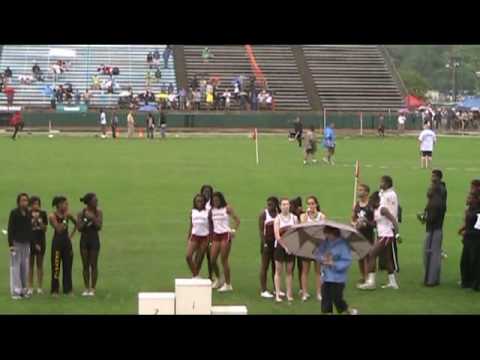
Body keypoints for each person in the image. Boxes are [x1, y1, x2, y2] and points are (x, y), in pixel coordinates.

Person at [358, 191, 401, 290]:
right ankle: (393, 282)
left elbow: (393, 220)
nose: (370, 203)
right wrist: (366, 221)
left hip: (386, 236)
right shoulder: (376, 210)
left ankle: (370, 282)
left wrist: (397, 234)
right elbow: (375, 224)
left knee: (372, 254)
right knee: (387, 259)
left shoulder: (383, 209)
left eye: (372, 201)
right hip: (381, 235)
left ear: (377, 200)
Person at [314, 226, 358, 315]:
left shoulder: (343, 245)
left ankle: (348, 310)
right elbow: (318, 253)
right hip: (326, 276)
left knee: (337, 298)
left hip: (338, 278)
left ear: (333, 233)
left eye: (327, 234)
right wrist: (323, 259)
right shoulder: (325, 243)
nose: (326, 236)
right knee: (325, 298)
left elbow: (346, 261)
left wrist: (334, 264)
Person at [209, 192, 240, 292]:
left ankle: (228, 284)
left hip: (225, 235)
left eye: (217, 200)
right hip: (216, 236)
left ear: (221, 200)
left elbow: (237, 220)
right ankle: (218, 279)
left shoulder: (227, 208)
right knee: (212, 259)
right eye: (213, 200)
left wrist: (233, 230)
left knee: (224, 260)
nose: (215, 202)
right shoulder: (212, 210)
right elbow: (211, 223)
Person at [417, 184, 446, 287]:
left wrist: (422, 218)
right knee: (432, 255)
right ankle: (432, 279)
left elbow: (431, 219)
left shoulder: (435, 203)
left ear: (434, 191)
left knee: (432, 256)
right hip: (434, 230)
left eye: (429, 189)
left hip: (434, 231)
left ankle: (431, 280)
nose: (427, 191)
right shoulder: (434, 202)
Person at [300, 196, 326, 301]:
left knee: (318, 271)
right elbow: (303, 228)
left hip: (318, 246)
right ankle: (305, 293)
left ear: (316, 204)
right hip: (307, 246)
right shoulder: (303, 216)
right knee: (305, 270)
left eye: (312, 203)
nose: (310, 206)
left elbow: (323, 232)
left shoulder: (322, 216)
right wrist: (307, 215)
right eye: (309, 204)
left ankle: (319, 293)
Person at [49, 196, 76, 296]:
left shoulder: (68, 214)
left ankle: (68, 289)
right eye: (65, 204)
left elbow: (77, 224)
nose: (67, 206)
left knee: (68, 267)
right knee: (56, 267)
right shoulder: (52, 216)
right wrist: (65, 217)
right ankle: (55, 290)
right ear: (59, 204)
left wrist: (71, 236)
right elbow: (59, 229)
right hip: (57, 244)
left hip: (66, 243)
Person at [7, 193, 32, 299]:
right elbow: (10, 229)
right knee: (15, 267)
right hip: (16, 243)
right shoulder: (14, 213)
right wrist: (11, 245)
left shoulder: (28, 213)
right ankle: (16, 291)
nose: (24, 202)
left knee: (24, 267)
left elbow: (29, 229)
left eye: (26, 200)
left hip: (26, 243)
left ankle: (23, 290)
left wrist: (33, 243)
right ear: (18, 202)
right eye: (22, 200)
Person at [273, 198, 299, 302]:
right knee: (278, 271)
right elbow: (277, 236)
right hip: (280, 247)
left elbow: (297, 233)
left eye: (287, 204)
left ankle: (289, 294)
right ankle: (278, 294)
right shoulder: (278, 219)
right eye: (283, 204)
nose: (285, 206)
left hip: (290, 246)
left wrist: (291, 246)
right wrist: (285, 247)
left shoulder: (294, 218)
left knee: (289, 271)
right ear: (280, 206)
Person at [77, 193, 103, 296]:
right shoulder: (81, 213)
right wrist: (86, 219)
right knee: (85, 265)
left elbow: (99, 226)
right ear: (89, 202)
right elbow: (79, 228)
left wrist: (92, 218)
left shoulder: (98, 212)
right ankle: (86, 288)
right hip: (84, 240)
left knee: (94, 264)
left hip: (94, 240)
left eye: (97, 200)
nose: (96, 202)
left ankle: (93, 288)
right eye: (94, 200)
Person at [352, 184, 375, 285]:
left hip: (368, 234)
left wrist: (366, 223)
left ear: (366, 192)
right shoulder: (356, 205)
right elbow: (352, 219)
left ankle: (368, 277)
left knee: (367, 256)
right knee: (360, 257)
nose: (358, 192)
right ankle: (363, 276)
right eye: (358, 190)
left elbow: (375, 222)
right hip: (358, 234)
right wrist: (355, 224)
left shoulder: (371, 205)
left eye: (361, 190)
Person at [258, 196, 280, 298]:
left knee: (275, 267)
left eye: (271, 204)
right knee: (264, 266)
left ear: (276, 204)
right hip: (267, 243)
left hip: (276, 243)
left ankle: (276, 289)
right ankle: (263, 290)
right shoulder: (264, 214)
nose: (269, 206)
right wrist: (264, 243)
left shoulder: (278, 214)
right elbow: (261, 231)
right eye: (268, 204)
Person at [459, 190, 480, 290]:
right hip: (467, 240)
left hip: (475, 242)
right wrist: (463, 229)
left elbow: (478, 229)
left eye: (470, 197)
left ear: (475, 199)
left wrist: (466, 232)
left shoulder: (478, 212)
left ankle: (475, 284)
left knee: (474, 262)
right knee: (464, 262)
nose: (467, 199)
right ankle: (465, 282)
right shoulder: (470, 210)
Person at [27, 196, 48, 296]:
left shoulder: (43, 214)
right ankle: (30, 287)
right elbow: (26, 228)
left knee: (40, 264)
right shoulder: (27, 214)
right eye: (34, 204)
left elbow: (45, 229)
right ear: (31, 205)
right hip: (30, 241)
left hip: (41, 240)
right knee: (30, 265)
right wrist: (33, 220)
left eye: (38, 204)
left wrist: (39, 221)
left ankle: (39, 287)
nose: (36, 206)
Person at [186, 194, 210, 278]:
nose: (199, 202)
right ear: (195, 202)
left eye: (201, 201)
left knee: (199, 259)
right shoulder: (192, 211)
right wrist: (189, 237)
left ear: (204, 202)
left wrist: (210, 239)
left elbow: (211, 226)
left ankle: (195, 277)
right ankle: (196, 275)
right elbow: (191, 225)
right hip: (195, 236)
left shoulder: (208, 212)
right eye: (197, 201)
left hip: (204, 237)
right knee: (188, 256)